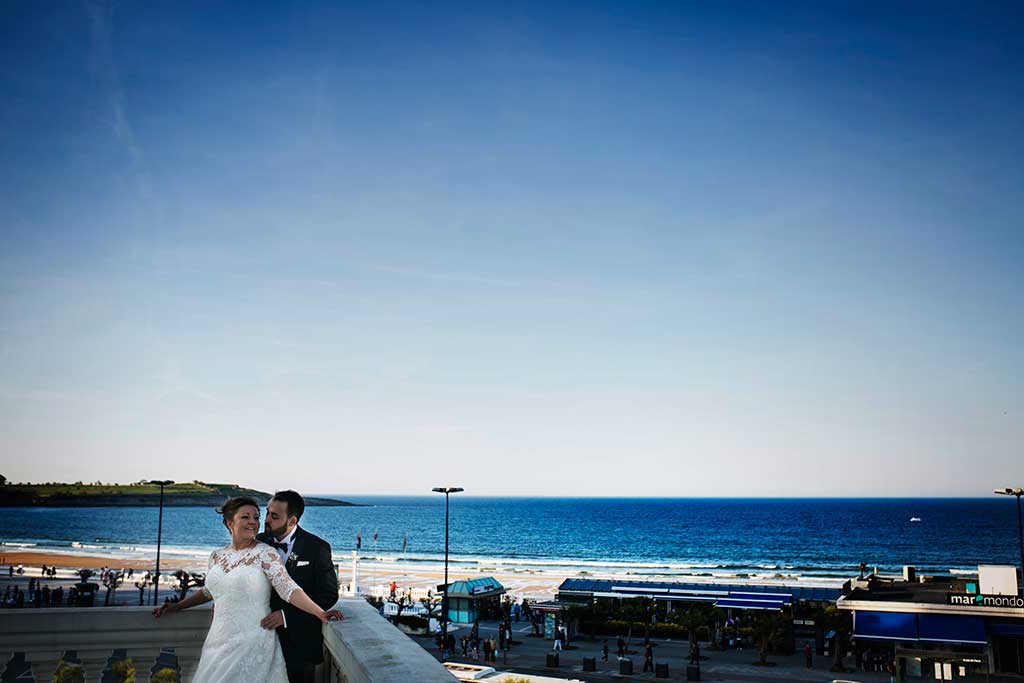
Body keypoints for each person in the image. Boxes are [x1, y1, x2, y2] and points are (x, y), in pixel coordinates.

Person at [153, 496, 340, 683]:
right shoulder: (216, 556)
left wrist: (320, 613)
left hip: (254, 640)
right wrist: (178, 606)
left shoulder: (266, 552)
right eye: (246, 517)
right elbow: (209, 591)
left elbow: (288, 589)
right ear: (229, 523)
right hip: (218, 640)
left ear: (292, 521)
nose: (256, 522)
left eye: (256, 517)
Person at [256, 490, 341, 683]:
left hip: (299, 645)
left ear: (292, 521)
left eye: (274, 516)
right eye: (267, 513)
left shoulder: (317, 548)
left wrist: (286, 617)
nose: (267, 519)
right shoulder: (259, 542)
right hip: (261, 640)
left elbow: (328, 594)